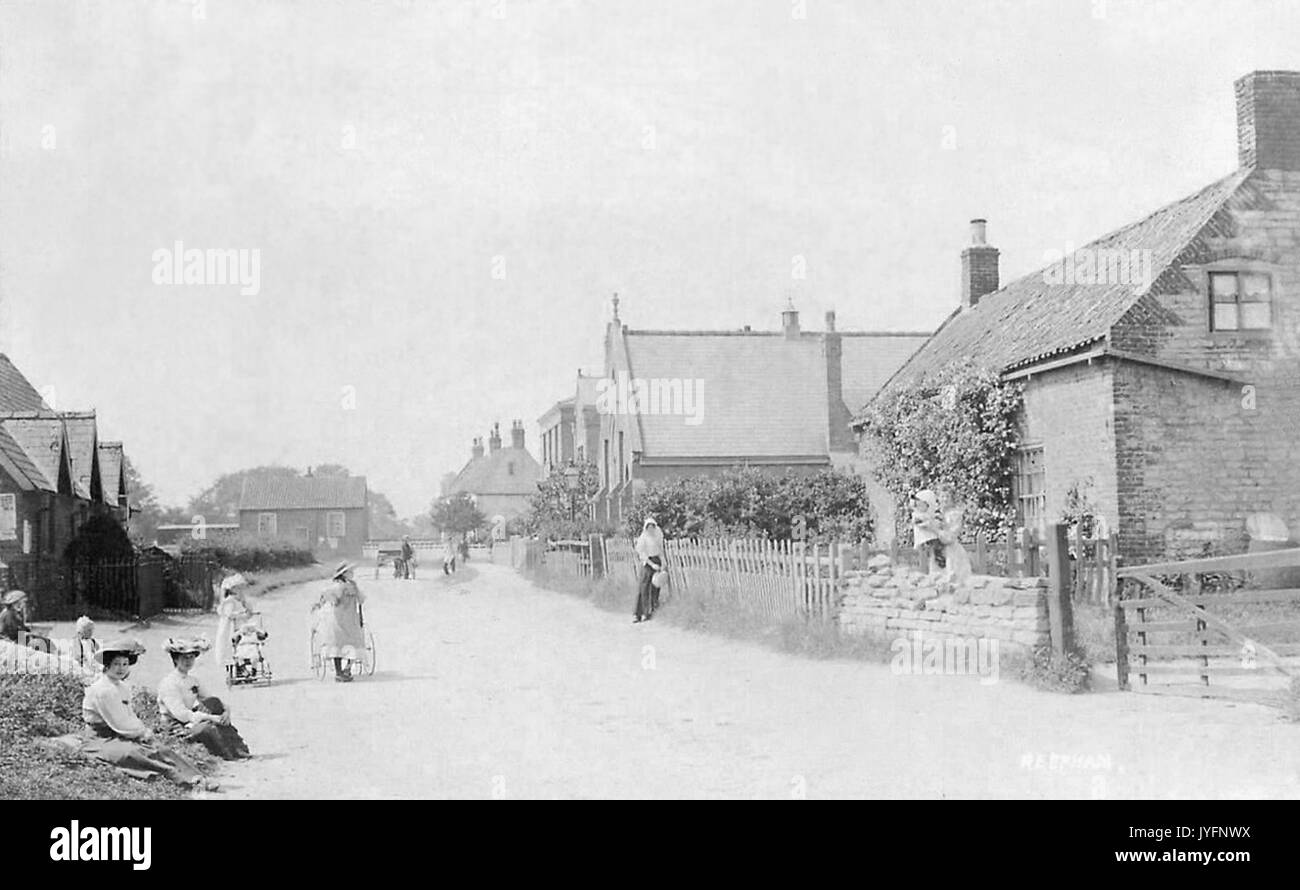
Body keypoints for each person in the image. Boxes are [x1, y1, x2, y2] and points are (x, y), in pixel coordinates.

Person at [81, 638, 218, 790]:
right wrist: (141, 733)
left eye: (125, 664)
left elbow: (129, 716)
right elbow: (118, 723)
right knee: (135, 752)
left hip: (120, 733)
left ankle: (197, 776)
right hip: (100, 739)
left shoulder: (122, 687)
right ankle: (182, 779)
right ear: (107, 666)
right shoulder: (103, 689)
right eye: (116, 664)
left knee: (159, 747)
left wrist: (143, 732)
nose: (121, 668)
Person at [157, 637, 250, 760]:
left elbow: (211, 699)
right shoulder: (169, 683)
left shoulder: (192, 680)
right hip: (175, 727)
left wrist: (226, 712)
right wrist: (212, 718)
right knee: (207, 728)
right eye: (184, 657)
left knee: (214, 703)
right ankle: (227, 754)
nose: (188, 661)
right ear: (175, 659)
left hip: (190, 719)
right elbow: (181, 715)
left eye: (191, 657)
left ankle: (238, 748)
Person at [312, 562, 366, 682]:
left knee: (355, 643)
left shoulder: (354, 586)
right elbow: (327, 596)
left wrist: (361, 616)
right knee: (337, 644)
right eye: (349, 572)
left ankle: (347, 668)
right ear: (343, 574)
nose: (352, 573)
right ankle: (339, 672)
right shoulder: (336, 586)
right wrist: (325, 602)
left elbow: (361, 600)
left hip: (351, 618)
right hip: (338, 618)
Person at [633, 517, 666, 623]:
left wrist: (663, 561)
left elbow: (660, 550)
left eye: (653, 527)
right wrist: (652, 565)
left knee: (655, 587)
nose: (651, 530)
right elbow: (642, 554)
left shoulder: (658, 536)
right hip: (647, 563)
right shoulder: (643, 538)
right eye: (649, 527)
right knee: (644, 587)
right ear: (646, 528)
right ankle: (638, 613)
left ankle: (650, 612)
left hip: (657, 560)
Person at [215, 573, 252, 667]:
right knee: (233, 645)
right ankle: (237, 665)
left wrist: (248, 609)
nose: (241, 590)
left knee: (244, 644)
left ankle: (242, 663)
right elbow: (229, 615)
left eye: (242, 588)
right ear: (233, 589)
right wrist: (243, 615)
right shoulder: (230, 601)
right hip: (232, 627)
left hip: (240, 626)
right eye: (239, 588)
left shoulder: (240, 600)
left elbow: (248, 609)